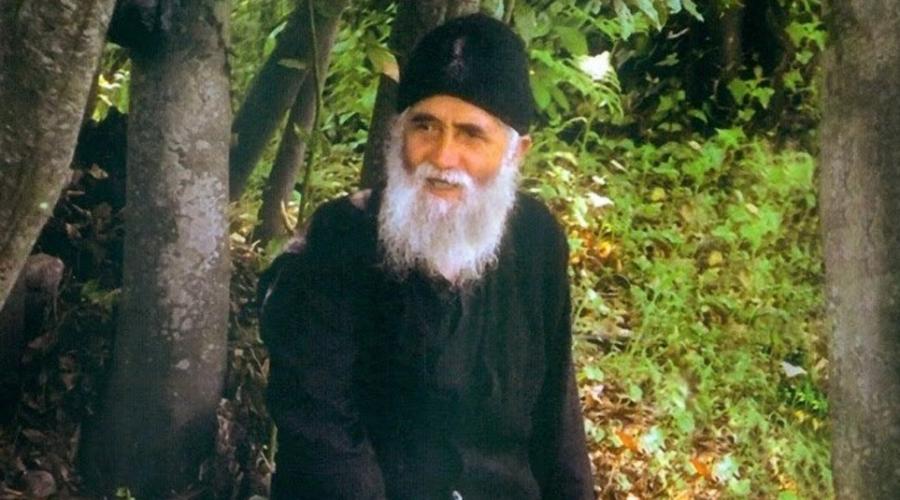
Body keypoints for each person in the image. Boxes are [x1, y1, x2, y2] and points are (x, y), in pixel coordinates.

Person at [259, 13, 594, 500]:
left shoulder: (536, 239)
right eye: (425, 126)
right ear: (400, 134)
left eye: (471, 135)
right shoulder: (338, 241)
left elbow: (557, 421)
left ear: (516, 152)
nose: (443, 156)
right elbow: (322, 442)